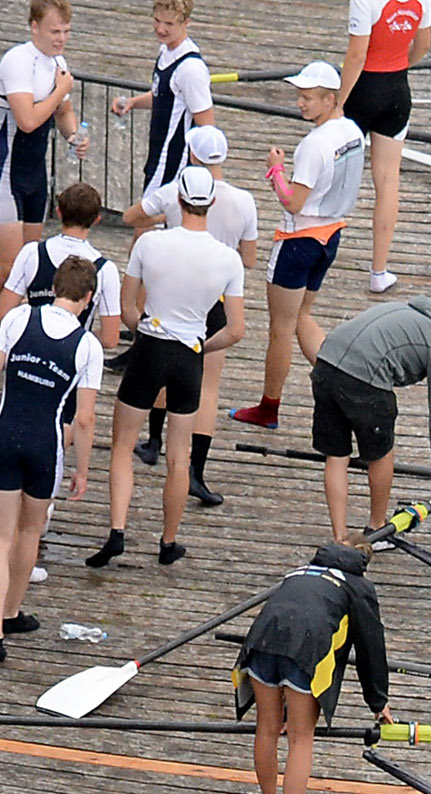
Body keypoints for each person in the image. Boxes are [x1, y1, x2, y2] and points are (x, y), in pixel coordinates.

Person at [85, 164, 245, 569]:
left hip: (151, 345)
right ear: (210, 203)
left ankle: (117, 531)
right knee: (179, 456)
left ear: (177, 200)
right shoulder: (228, 259)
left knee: (123, 445)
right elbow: (236, 330)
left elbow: (126, 308)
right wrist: (200, 347)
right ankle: (168, 541)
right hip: (189, 353)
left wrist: (147, 332)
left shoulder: (150, 243)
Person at [0, 257, 100, 664]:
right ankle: (12, 610)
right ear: (88, 298)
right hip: (45, 445)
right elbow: (85, 418)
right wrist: (82, 468)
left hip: (5, 436)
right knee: (30, 531)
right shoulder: (87, 346)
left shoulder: (19, 318)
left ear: (54, 287)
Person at [233, 538, 392, 794]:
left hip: (262, 640)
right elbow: (371, 646)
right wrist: (378, 702)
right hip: (307, 648)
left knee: (266, 729)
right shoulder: (358, 586)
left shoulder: (299, 572)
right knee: (300, 739)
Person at [231, 64, 364, 433]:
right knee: (302, 317)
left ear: (330, 99)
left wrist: (276, 169)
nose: (300, 103)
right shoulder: (353, 133)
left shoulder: (314, 145)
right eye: (299, 96)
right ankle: (341, 380)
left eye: (307, 98)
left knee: (281, 329)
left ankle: (268, 407)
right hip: (330, 236)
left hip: (298, 242)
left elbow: (292, 201)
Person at [130, 127, 257, 507]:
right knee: (208, 388)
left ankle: (153, 442)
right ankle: (196, 474)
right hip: (214, 296)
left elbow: (130, 215)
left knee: (160, 368)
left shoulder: (173, 191)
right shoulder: (245, 201)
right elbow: (249, 259)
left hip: (171, 291)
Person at [0, 0, 88, 368]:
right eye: (54, 32)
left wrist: (74, 136)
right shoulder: (18, 61)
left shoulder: (58, 65)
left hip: (35, 176)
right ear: (34, 27)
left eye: (65, 32)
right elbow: (29, 119)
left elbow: (62, 113)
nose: (60, 39)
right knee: (8, 266)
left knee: (30, 268)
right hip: (4, 172)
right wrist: (59, 88)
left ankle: (21, 337)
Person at [307, 290, 431, 537]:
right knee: (381, 453)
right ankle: (377, 528)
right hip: (364, 379)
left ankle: (339, 538)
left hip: (326, 362)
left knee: (337, 456)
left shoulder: (405, 308)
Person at [337, 0, 431, 294]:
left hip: (362, 91)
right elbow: (422, 46)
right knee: (388, 181)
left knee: (335, 174)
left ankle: (316, 250)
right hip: (397, 91)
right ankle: (379, 272)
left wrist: (339, 102)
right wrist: (398, 65)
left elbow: (356, 55)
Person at [111, 0, 214, 223]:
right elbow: (163, 96)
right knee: (144, 230)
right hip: (157, 155)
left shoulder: (191, 70)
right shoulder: (166, 51)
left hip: (174, 161)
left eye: (168, 24)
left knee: (141, 223)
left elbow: (207, 128)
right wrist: (132, 103)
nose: (160, 29)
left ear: (186, 23)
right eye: (157, 21)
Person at [0, 181, 122, 350]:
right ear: (96, 220)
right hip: (70, 356)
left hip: (29, 348)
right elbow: (109, 339)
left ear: (59, 212)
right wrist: (78, 335)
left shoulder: (32, 252)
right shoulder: (106, 270)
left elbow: (2, 314)